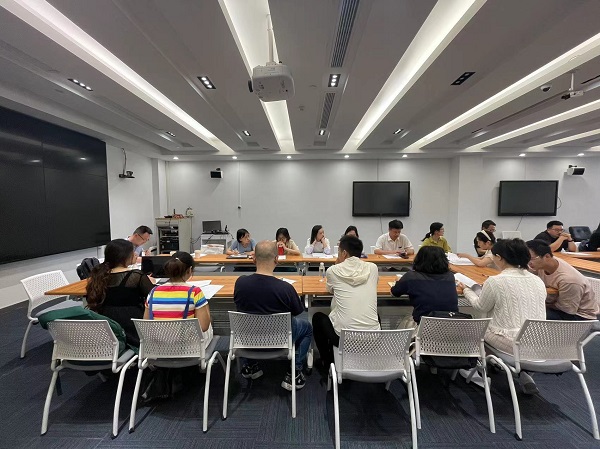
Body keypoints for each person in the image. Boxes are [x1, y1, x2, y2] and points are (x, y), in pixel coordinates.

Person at [459, 239, 546, 395]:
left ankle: (473, 369)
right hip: (540, 342)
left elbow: (480, 306)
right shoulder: (537, 280)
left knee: (475, 328)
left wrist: (466, 290)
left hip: (512, 342)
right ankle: (523, 373)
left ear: (499, 257)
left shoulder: (495, 281)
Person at [233, 241, 312, 390]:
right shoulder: (286, 288)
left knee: (248, 319)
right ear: (276, 259)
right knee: (307, 328)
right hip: (279, 340)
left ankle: (251, 366)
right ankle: (294, 372)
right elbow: (297, 312)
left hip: (248, 339)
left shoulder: (240, 283)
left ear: (254, 259)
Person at [312, 235, 380, 368]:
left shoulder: (333, 270)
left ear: (344, 253)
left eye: (338, 252)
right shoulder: (373, 268)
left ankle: (327, 362)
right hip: (372, 339)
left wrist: (337, 265)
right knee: (374, 315)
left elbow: (330, 289)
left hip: (343, 339)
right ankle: (365, 359)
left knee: (318, 318)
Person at [86, 239, 154, 346]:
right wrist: (150, 282)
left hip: (107, 328)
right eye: (133, 252)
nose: (135, 254)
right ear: (125, 256)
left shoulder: (98, 276)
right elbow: (153, 296)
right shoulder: (136, 275)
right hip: (133, 328)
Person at [145, 251, 213, 348]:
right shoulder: (195, 292)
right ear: (189, 270)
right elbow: (204, 326)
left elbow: (146, 324)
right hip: (188, 349)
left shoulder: (153, 292)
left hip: (159, 348)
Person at [526, 239, 598, 321]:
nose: (528, 262)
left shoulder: (569, 280)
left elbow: (567, 310)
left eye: (531, 258)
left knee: (530, 313)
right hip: (558, 307)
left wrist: (539, 304)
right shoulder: (542, 264)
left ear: (547, 256)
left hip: (579, 317)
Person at [391, 246, 458, 326]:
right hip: (452, 325)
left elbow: (394, 293)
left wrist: (399, 282)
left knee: (405, 320)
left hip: (425, 327)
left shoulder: (411, 276)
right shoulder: (450, 276)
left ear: (419, 259)